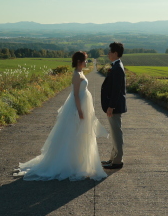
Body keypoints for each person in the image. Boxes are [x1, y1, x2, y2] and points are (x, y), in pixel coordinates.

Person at [15, 51, 108, 181]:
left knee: (81, 134)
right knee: (73, 134)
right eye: (85, 60)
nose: (86, 62)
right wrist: (80, 111)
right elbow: (75, 94)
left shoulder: (81, 73)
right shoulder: (76, 75)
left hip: (84, 106)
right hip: (78, 107)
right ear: (78, 62)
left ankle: (80, 162)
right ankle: (72, 163)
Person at [101, 41, 127, 169]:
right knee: (114, 132)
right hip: (114, 106)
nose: (108, 54)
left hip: (115, 107)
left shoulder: (117, 68)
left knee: (116, 133)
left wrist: (111, 106)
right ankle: (113, 158)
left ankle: (117, 161)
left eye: (110, 52)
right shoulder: (116, 65)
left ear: (115, 53)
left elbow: (116, 90)